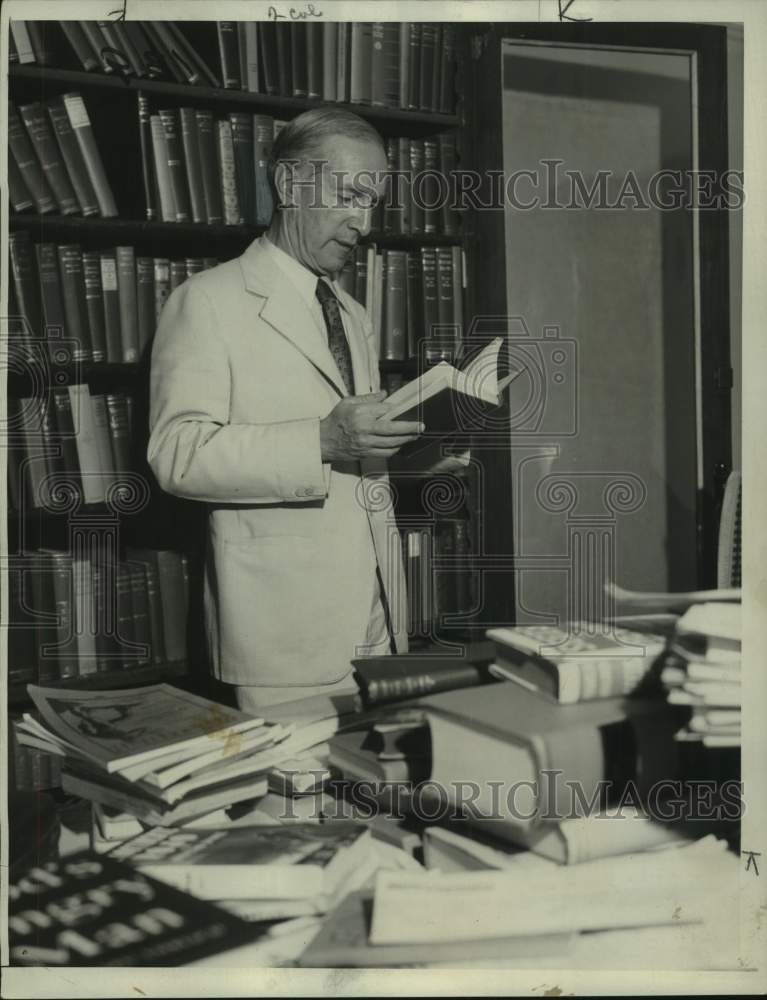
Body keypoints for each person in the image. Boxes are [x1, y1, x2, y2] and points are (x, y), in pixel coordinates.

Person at [148, 107, 457, 713]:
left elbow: (353, 453)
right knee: (293, 799)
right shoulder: (206, 302)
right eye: (349, 196)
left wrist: (417, 458)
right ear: (290, 185)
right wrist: (319, 440)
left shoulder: (352, 313)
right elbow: (176, 455)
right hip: (282, 628)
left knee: (367, 794)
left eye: (373, 202)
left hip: (380, 614)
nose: (363, 223)